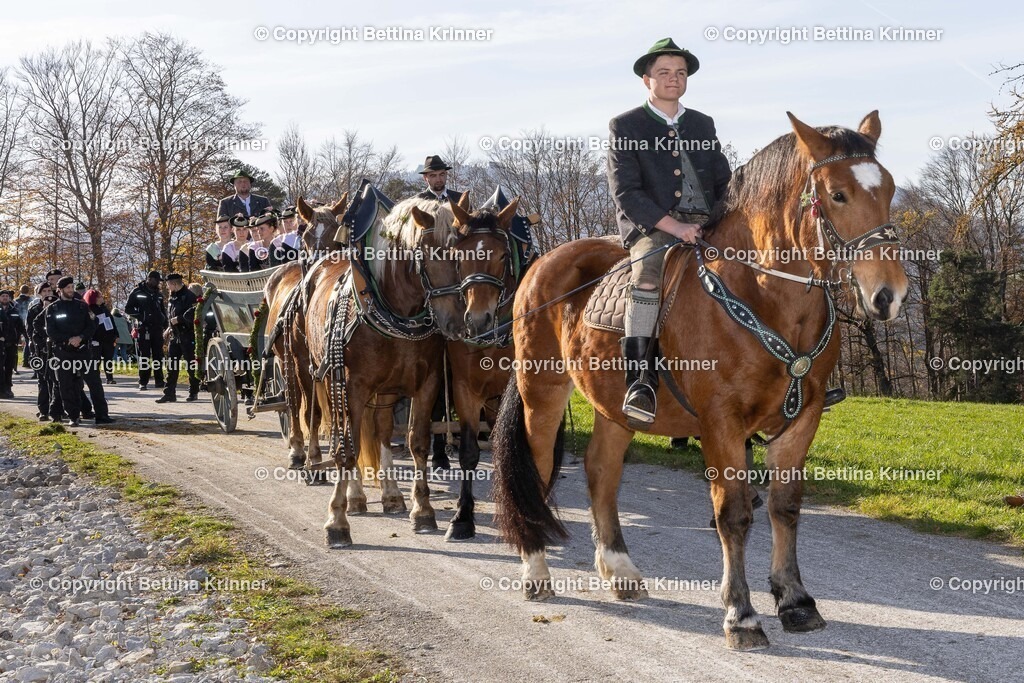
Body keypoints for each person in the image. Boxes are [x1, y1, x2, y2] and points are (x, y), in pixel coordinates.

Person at [607, 37, 731, 427]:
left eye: (680, 72)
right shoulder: (625, 125)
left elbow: (723, 179)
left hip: (708, 222)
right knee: (646, 277)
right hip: (655, 226)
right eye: (664, 72)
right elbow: (626, 192)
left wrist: (727, 218)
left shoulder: (702, 123)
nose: (673, 78)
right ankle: (640, 380)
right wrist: (674, 226)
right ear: (647, 80)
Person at [44, 277, 112, 426]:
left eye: (72, 287)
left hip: (83, 351)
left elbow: (92, 325)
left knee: (95, 383)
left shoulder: (82, 306)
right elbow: (51, 331)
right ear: (60, 290)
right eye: (68, 287)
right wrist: (68, 339)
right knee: (66, 386)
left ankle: (102, 415)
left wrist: (80, 337)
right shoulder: (53, 308)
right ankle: (74, 416)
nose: (71, 290)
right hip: (63, 352)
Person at [157, 274, 200, 403]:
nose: (167, 287)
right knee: (172, 365)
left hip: (187, 335)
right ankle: (169, 393)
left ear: (174, 284)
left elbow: (194, 314)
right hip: (175, 335)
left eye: (168, 284)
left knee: (191, 365)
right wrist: (169, 328)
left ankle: (193, 392)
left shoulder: (189, 296)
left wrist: (180, 319)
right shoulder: (172, 297)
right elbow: (171, 315)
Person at [124, 270, 168, 390]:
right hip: (144, 328)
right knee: (144, 355)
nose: (158, 283)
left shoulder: (158, 294)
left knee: (158, 355)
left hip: (157, 328)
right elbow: (128, 308)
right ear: (150, 279)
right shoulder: (137, 291)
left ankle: (159, 380)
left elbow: (162, 310)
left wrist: (165, 322)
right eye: (157, 281)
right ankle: (143, 381)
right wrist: (141, 317)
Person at [27, 282, 63, 421]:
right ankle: (43, 409)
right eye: (45, 291)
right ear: (39, 293)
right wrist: (38, 345)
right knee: (43, 380)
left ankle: (57, 408)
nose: (48, 293)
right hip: (40, 350)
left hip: (56, 350)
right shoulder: (35, 310)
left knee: (57, 380)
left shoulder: (57, 307)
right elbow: (30, 330)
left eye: (49, 290)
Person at [84, 289, 118, 384]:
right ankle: (95, 378)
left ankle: (110, 378)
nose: (102, 298)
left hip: (108, 339)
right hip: (96, 339)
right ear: (94, 298)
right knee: (96, 360)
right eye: (100, 296)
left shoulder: (104, 309)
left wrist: (116, 334)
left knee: (108, 359)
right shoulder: (89, 310)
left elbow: (111, 322)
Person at [0, 290, 26, 398]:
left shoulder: (15, 310)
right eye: (3, 296)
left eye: (7, 296)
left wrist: (25, 337)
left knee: (9, 366)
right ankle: (1, 389)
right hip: (0, 343)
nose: (5, 298)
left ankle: (8, 387)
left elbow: (21, 326)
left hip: (11, 343)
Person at [15, 285, 32, 369]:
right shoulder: (30, 300)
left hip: (18, 324)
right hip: (26, 323)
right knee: (28, 341)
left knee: (15, 344)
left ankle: (15, 366)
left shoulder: (16, 301)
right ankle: (26, 361)